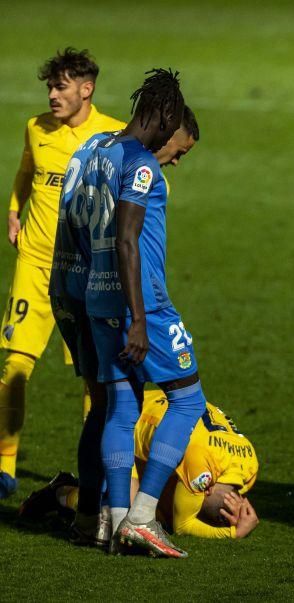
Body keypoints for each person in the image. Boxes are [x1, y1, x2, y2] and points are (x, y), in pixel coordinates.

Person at [49, 107, 200, 545]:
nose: (176, 160)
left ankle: (103, 520)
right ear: (170, 125)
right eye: (181, 150)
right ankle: (139, 514)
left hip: (77, 289)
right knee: (186, 400)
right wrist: (135, 314)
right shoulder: (140, 163)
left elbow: (73, 218)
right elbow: (127, 238)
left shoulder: (91, 148)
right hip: (134, 298)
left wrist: (84, 289)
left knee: (110, 406)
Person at [0, 48, 124, 498]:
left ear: (86, 89)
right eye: (49, 87)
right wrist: (14, 209)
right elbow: (25, 171)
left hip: (84, 269)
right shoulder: (36, 128)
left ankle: (94, 472)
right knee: (14, 363)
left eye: (61, 87)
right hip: (34, 261)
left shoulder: (113, 135)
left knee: (93, 376)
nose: (52, 95)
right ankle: (5, 466)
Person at [19, 390, 259, 541]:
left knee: (159, 514)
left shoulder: (250, 465)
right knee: (125, 517)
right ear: (206, 487)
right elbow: (183, 525)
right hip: (128, 424)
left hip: (162, 410)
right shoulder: (202, 471)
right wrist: (232, 533)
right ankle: (61, 492)